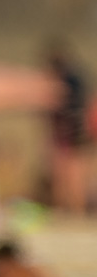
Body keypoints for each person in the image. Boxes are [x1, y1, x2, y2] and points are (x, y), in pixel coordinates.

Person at [46, 41, 91, 215]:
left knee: (70, 171)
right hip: (72, 131)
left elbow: (59, 100)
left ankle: (73, 208)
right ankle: (71, 208)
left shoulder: (69, 80)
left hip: (72, 132)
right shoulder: (75, 79)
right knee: (70, 171)